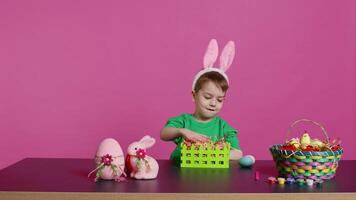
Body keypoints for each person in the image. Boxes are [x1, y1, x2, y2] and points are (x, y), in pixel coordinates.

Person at [160, 39, 243, 162]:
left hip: (212, 177)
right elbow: (164, 134)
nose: (213, 103)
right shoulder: (184, 121)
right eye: (208, 97)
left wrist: (212, 153)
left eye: (220, 100)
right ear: (194, 95)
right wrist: (182, 131)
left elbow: (238, 153)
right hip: (180, 174)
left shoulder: (223, 127)